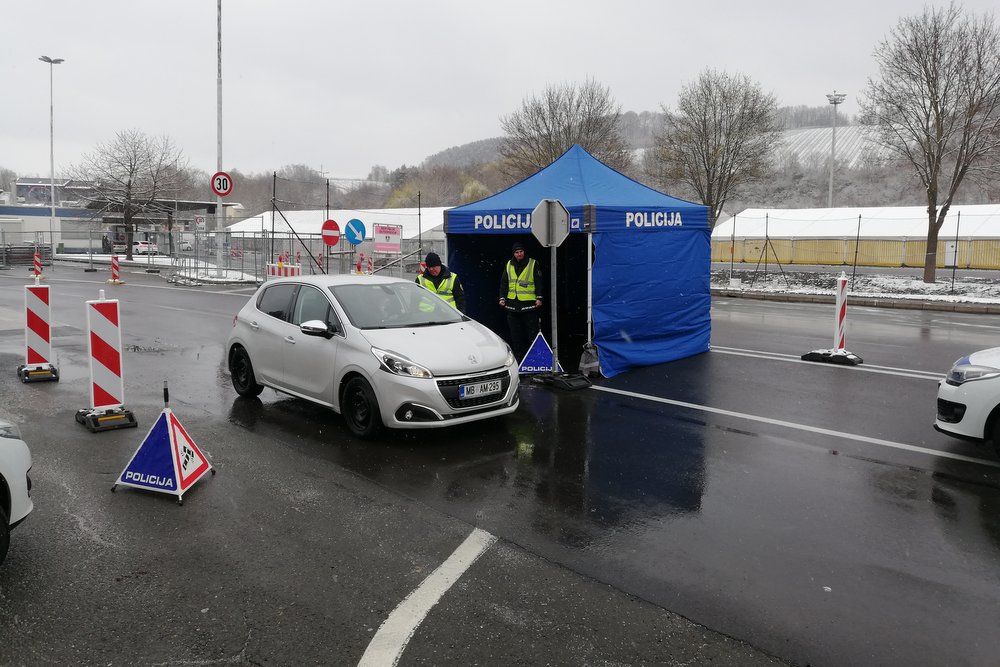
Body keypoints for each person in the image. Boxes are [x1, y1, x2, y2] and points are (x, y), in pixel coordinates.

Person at [498, 241, 543, 362]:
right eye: (517, 252)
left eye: (521, 251)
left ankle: (534, 358)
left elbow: (539, 282)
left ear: (524, 252)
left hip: (529, 304)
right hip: (513, 305)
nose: (519, 254)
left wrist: (539, 297)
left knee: (532, 333)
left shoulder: (533, 263)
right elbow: (504, 283)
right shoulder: (509, 264)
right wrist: (502, 298)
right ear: (514, 254)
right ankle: (519, 358)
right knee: (516, 335)